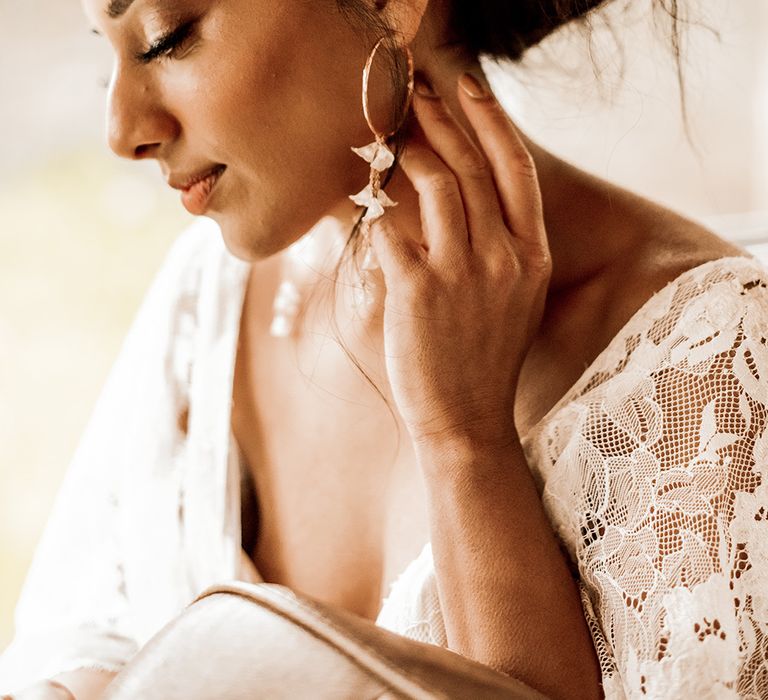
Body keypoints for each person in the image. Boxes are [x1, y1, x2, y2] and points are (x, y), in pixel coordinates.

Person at [2, 0, 767, 697]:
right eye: (107, 54)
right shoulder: (209, 299)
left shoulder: (717, 371)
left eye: (168, 38)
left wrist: (464, 440)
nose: (121, 131)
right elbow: (77, 637)